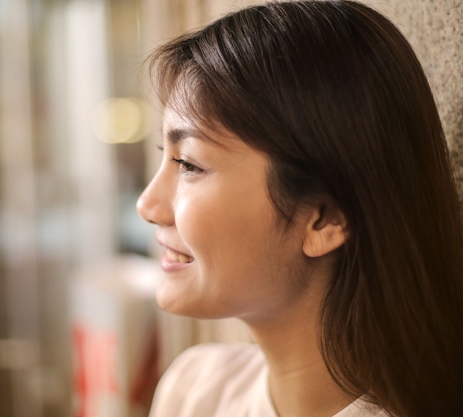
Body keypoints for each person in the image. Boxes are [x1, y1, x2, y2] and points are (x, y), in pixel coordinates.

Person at [135, 1, 463, 416]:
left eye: (189, 165)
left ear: (325, 217)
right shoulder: (195, 392)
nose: (147, 204)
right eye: (167, 155)